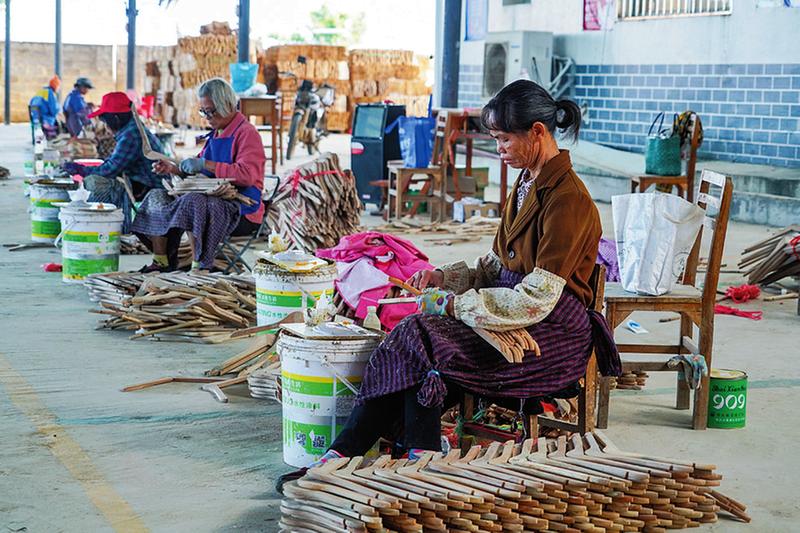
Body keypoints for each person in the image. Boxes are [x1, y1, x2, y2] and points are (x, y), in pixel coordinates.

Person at [276, 80, 622, 488]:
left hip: (549, 334)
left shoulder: (569, 200)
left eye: (504, 139)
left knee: (421, 335)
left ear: (537, 133)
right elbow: (496, 264)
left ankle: (375, 453)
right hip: (513, 313)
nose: (500, 149)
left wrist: (455, 306)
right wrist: (445, 279)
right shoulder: (528, 182)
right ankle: (390, 452)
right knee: (417, 341)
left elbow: (536, 298)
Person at [132, 77, 266, 272]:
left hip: (241, 206)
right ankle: (162, 260)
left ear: (228, 105)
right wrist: (174, 169)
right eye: (204, 111)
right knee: (156, 196)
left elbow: (246, 175)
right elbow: (197, 169)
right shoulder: (216, 133)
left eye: (211, 111)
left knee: (193, 201)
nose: (207, 117)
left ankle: (200, 265)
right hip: (209, 198)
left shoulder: (247, 133)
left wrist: (207, 164)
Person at [61, 92, 167, 233]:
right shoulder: (130, 128)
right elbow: (114, 162)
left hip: (150, 186)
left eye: (105, 122)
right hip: (140, 181)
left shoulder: (131, 135)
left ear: (115, 119)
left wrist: (82, 170)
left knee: (97, 183)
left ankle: (105, 229)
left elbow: (110, 170)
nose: (105, 126)